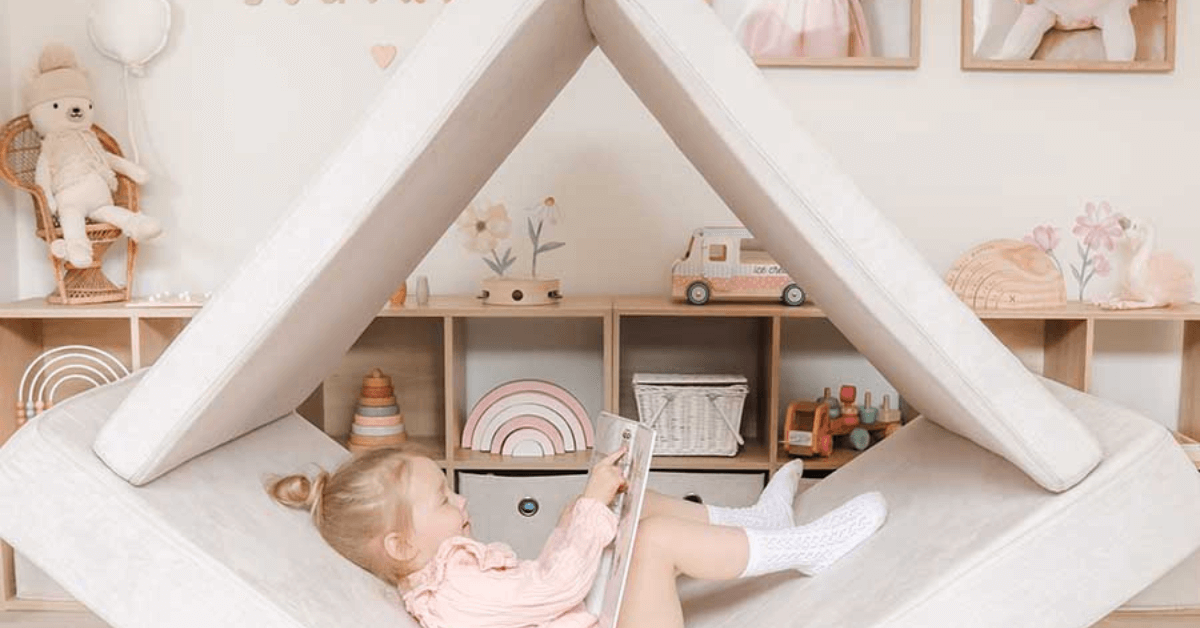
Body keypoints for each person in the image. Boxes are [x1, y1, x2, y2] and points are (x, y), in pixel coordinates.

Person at [267, 448, 886, 628]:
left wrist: (587, 510)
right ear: (401, 547)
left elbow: (542, 586)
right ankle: (805, 549)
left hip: (586, 614)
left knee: (628, 514)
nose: (460, 501)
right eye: (442, 499)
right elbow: (555, 584)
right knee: (651, 541)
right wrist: (588, 509)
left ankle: (759, 524)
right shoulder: (452, 596)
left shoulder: (448, 571)